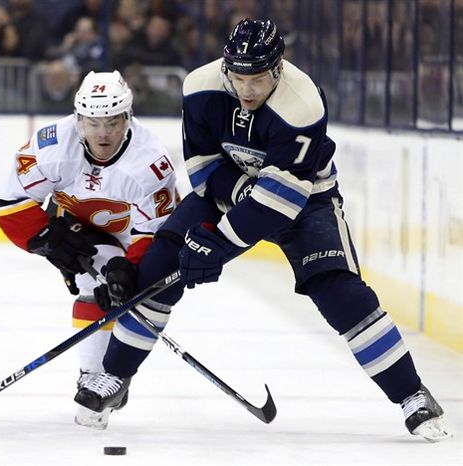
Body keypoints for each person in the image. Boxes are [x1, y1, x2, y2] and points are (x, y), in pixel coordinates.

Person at [77, 18, 449, 442]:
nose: (247, 89)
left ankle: (412, 396)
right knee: (160, 266)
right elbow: (202, 169)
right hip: (227, 191)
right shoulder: (200, 87)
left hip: (306, 202)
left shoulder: (302, 103)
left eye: (256, 78)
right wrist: (227, 211)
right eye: (237, 77)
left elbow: (280, 201)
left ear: (277, 67)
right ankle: (113, 378)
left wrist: (217, 243)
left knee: (341, 292)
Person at [0, 70, 178, 429]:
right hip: (74, 227)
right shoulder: (51, 146)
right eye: (93, 123)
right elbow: (10, 208)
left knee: (124, 293)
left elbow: (156, 231)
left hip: (135, 234)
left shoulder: (150, 161)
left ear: (128, 118)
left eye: (112, 122)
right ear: (79, 120)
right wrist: (50, 242)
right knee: (93, 286)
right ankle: (93, 378)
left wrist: (129, 269)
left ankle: (114, 374)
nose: (103, 133)